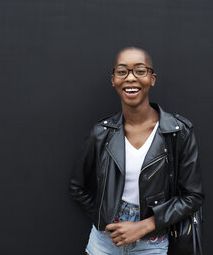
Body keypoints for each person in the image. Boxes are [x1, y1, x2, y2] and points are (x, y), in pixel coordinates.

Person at [69, 47, 203, 255]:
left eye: (140, 71)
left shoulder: (177, 132)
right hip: (104, 240)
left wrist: (146, 225)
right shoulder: (102, 133)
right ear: (113, 80)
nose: (130, 78)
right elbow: (77, 187)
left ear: (152, 78)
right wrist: (105, 218)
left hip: (151, 240)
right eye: (122, 71)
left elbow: (192, 197)